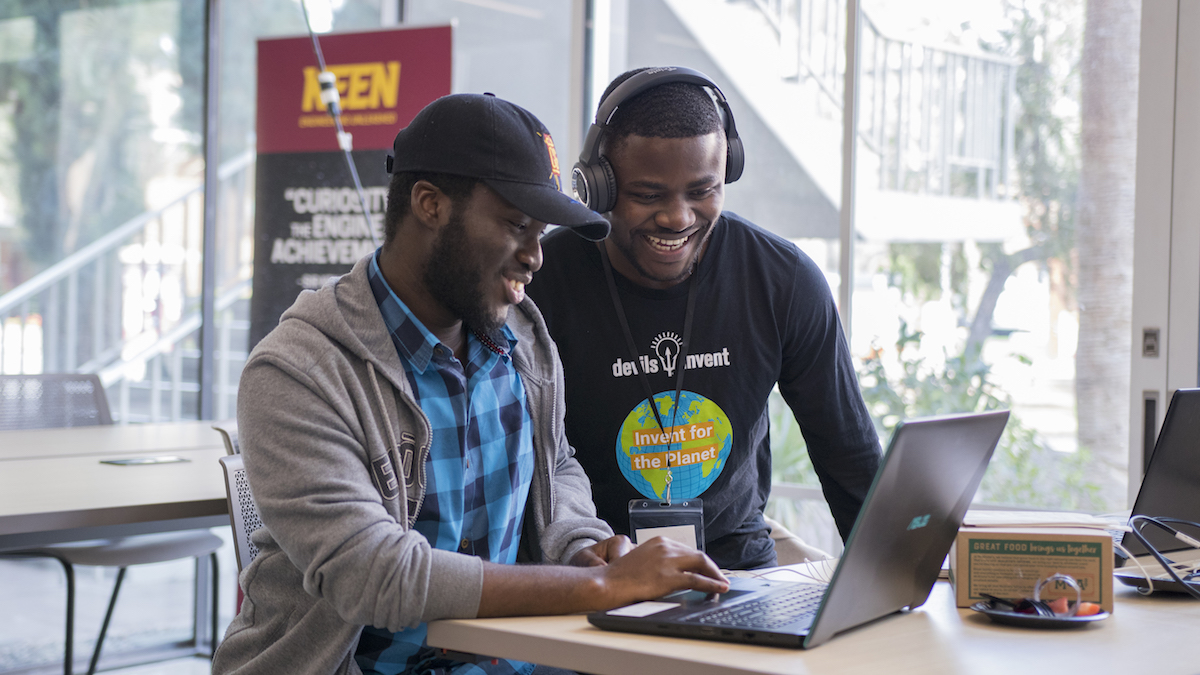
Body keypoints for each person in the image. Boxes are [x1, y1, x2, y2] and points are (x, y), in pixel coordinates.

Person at [212, 93, 727, 675]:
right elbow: (372, 574)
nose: (536, 256)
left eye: (541, 232)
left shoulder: (522, 335)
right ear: (430, 204)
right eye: (516, 225)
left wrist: (581, 545)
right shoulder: (300, 370)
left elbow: (555, 466)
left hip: (511, 662)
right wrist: (601, 587)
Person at [527, 67, 883, 571]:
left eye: (702, 191)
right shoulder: (540, 284)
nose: (678, 217)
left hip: (739, 573)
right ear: (600, 187)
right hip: (593, 575)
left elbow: (850, 460)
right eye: (648, 195)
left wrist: (900, 590)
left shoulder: (782, 280)